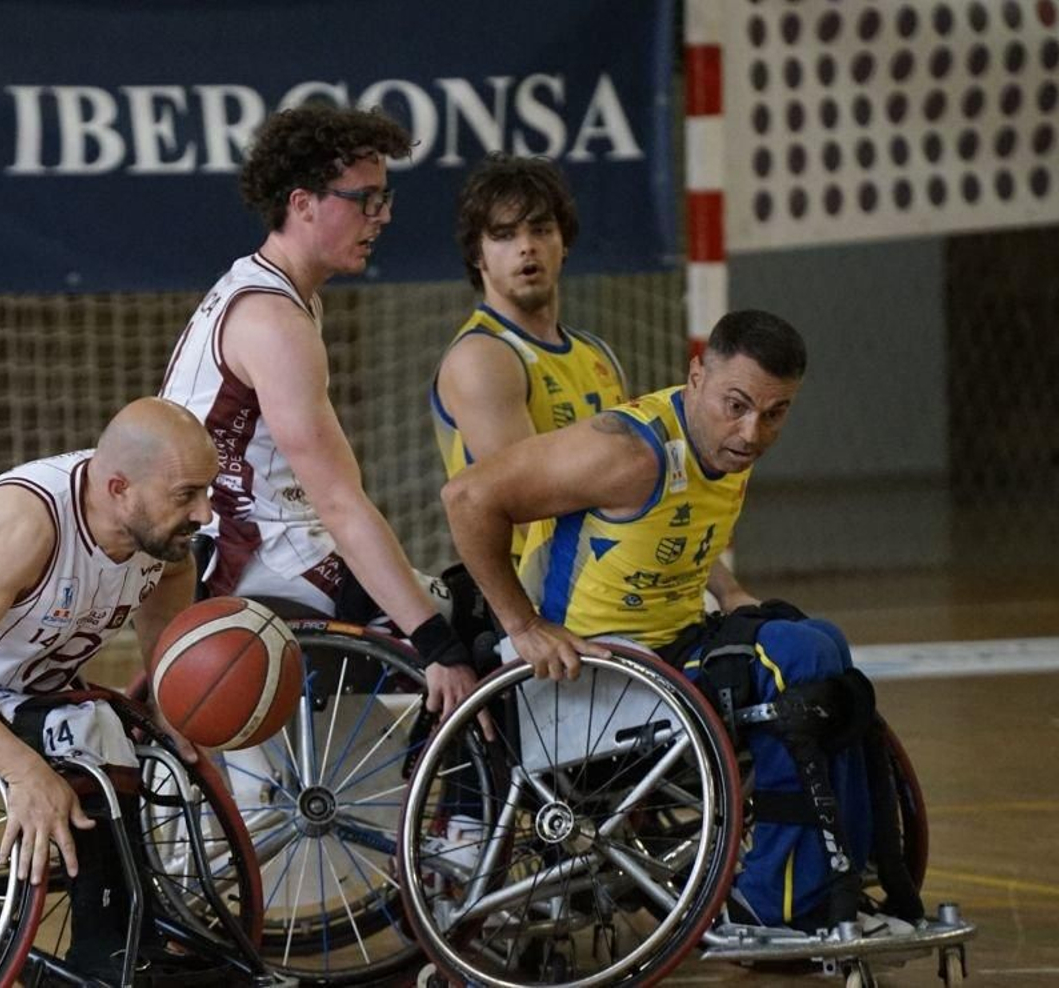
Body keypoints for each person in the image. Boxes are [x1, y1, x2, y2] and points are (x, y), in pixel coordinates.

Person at [443, 311, 918, 932]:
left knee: (823, 641)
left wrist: (730, 589)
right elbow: (468, 497)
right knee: (797, 658)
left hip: (665, 657)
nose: (752, 432)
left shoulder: (717, 446)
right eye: (737, 405)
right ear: (697, 376)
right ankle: (775, 901)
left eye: (775, 414)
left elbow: (675, 527)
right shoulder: (625, 452)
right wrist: (523, 625)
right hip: (589, 677)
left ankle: (837, 878)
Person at [0, 396, 217, 978]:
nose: (204, 513)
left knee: (123, 726)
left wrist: (170, 700)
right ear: (119, 488)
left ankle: (135, 933)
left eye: (207, 491)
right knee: (92, 729)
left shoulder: (156, 540)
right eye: (186, 496)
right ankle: (109, 953)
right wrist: (25, 771)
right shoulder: (29, 523)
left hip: (30, 696)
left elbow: (169, 590)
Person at [160, 103, 481, 719]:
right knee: (461, 628)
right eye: (364, 199)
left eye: (385, 198)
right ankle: (461, 819)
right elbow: (337, 500)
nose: (382, 216)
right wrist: (435, 643)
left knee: (444, 608)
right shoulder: (273, 320)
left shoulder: (268, 290)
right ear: (303, 202)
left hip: (247, 547)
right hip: (246, 561)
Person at [433, 151, 754, 619]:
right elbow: (526, 505)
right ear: (477, 255)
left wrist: (728, 590)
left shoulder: (596, 355)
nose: (526, 247)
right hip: (539, 595)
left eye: (541, 230)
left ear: (564, 243)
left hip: (614, 578)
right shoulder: (483, 358)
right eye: (504, 235)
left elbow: (650, 488)